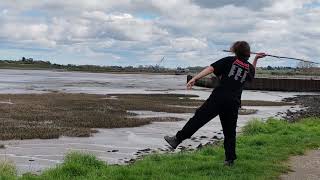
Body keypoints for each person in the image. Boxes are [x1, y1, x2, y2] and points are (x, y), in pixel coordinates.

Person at [164, 41, 266, 166]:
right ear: (248, 53)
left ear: (235, 50)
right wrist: (256, 59)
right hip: (234, 102)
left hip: (219, 97)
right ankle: (230, 160)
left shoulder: (229, 60)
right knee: (230, 131)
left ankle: (177, 139)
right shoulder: (248, 67)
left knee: (198, 118)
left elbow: (211, 68)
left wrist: (195, 78)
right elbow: (251, 75)